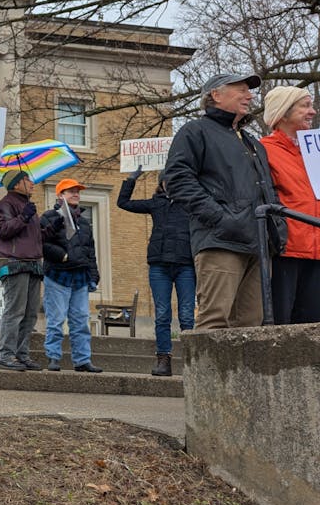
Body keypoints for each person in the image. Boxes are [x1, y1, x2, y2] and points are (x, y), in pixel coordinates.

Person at [163, 73, 286, 329]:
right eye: (240, 89)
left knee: (251, 326)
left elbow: (268, 189)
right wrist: (221, 219)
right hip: (221, 242)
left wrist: (278, 229)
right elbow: (176, 180)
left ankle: (245, 372)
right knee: (215, 322)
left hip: (260, 244)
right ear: (215, 95)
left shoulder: (252, 142)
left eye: (248, 91)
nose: (249, 96)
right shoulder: (194, 131)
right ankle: (206, 372)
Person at [117, 166, 195, 376]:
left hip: (185, 264)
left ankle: (191, 361)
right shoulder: (156, 204)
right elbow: (123, 203)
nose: (170, 183)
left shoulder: (190, 203)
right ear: (161, 183)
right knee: (162, 314)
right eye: (167, 180)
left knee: (187, 315)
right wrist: (131, 180)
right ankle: (163, 359)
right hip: (159, 265)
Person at [260, 86, 320, 324]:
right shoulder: (263, 149)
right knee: (282, 323)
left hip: (317, 248)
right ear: (283, 113)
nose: (312, 112)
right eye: (304, 106)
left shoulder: (314, 150)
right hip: (287, 249)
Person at [40, 178, 103, 372]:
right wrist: (63, 256)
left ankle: (82, 360)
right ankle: (53, 357)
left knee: (81, 321)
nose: (75, 194)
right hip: (58, 276)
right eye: (70, 191)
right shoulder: (49, 217)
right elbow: (41, 243)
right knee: (56, 320)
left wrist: (94, 275)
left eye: (77, 191)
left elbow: (90, 250)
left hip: (80, 278)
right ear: (60, 195)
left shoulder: (84, 222)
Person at [0, 169, 44, 371]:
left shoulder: (28, 207)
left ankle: (22, 354)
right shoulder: (3, 205)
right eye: (27, 179)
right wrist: (23, 217)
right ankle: (5, 354)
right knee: (14, 311)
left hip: (33, 264)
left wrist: (52, 228)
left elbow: (34, 238)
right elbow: (3, 231)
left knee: (30, 314)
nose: (32, 182)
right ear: (15, 184)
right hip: (14, 263)